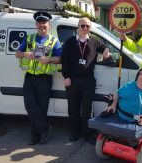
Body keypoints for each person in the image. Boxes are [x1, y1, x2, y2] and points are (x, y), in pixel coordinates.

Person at [61, 17, 111, 144]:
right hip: (72, 80)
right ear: (77, 27)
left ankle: (87, 133)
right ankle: (75, 132)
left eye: (87, 26)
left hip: (88, 80)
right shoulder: (70, 41)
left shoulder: (94, 41)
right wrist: (66, 76)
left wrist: (106, 52)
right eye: (82, 25)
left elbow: (105, 47)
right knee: (73, 108)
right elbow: (64, 60)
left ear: (90, 28)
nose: (84, 28)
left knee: (87, 109)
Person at [16, 11, 62, 145]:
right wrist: (25, 54)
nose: (42, 25)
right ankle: (44, 128)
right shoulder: (29, 38)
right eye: (40, 22)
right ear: (36, 24)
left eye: (44, 23)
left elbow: (60, 59)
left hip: (44, 79)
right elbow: (17, 54)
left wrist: (49, 59)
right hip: (30, 77)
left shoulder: (54, 41)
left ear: (49, 25)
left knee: (42, 108)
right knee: (29, 105)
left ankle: (35, 134)